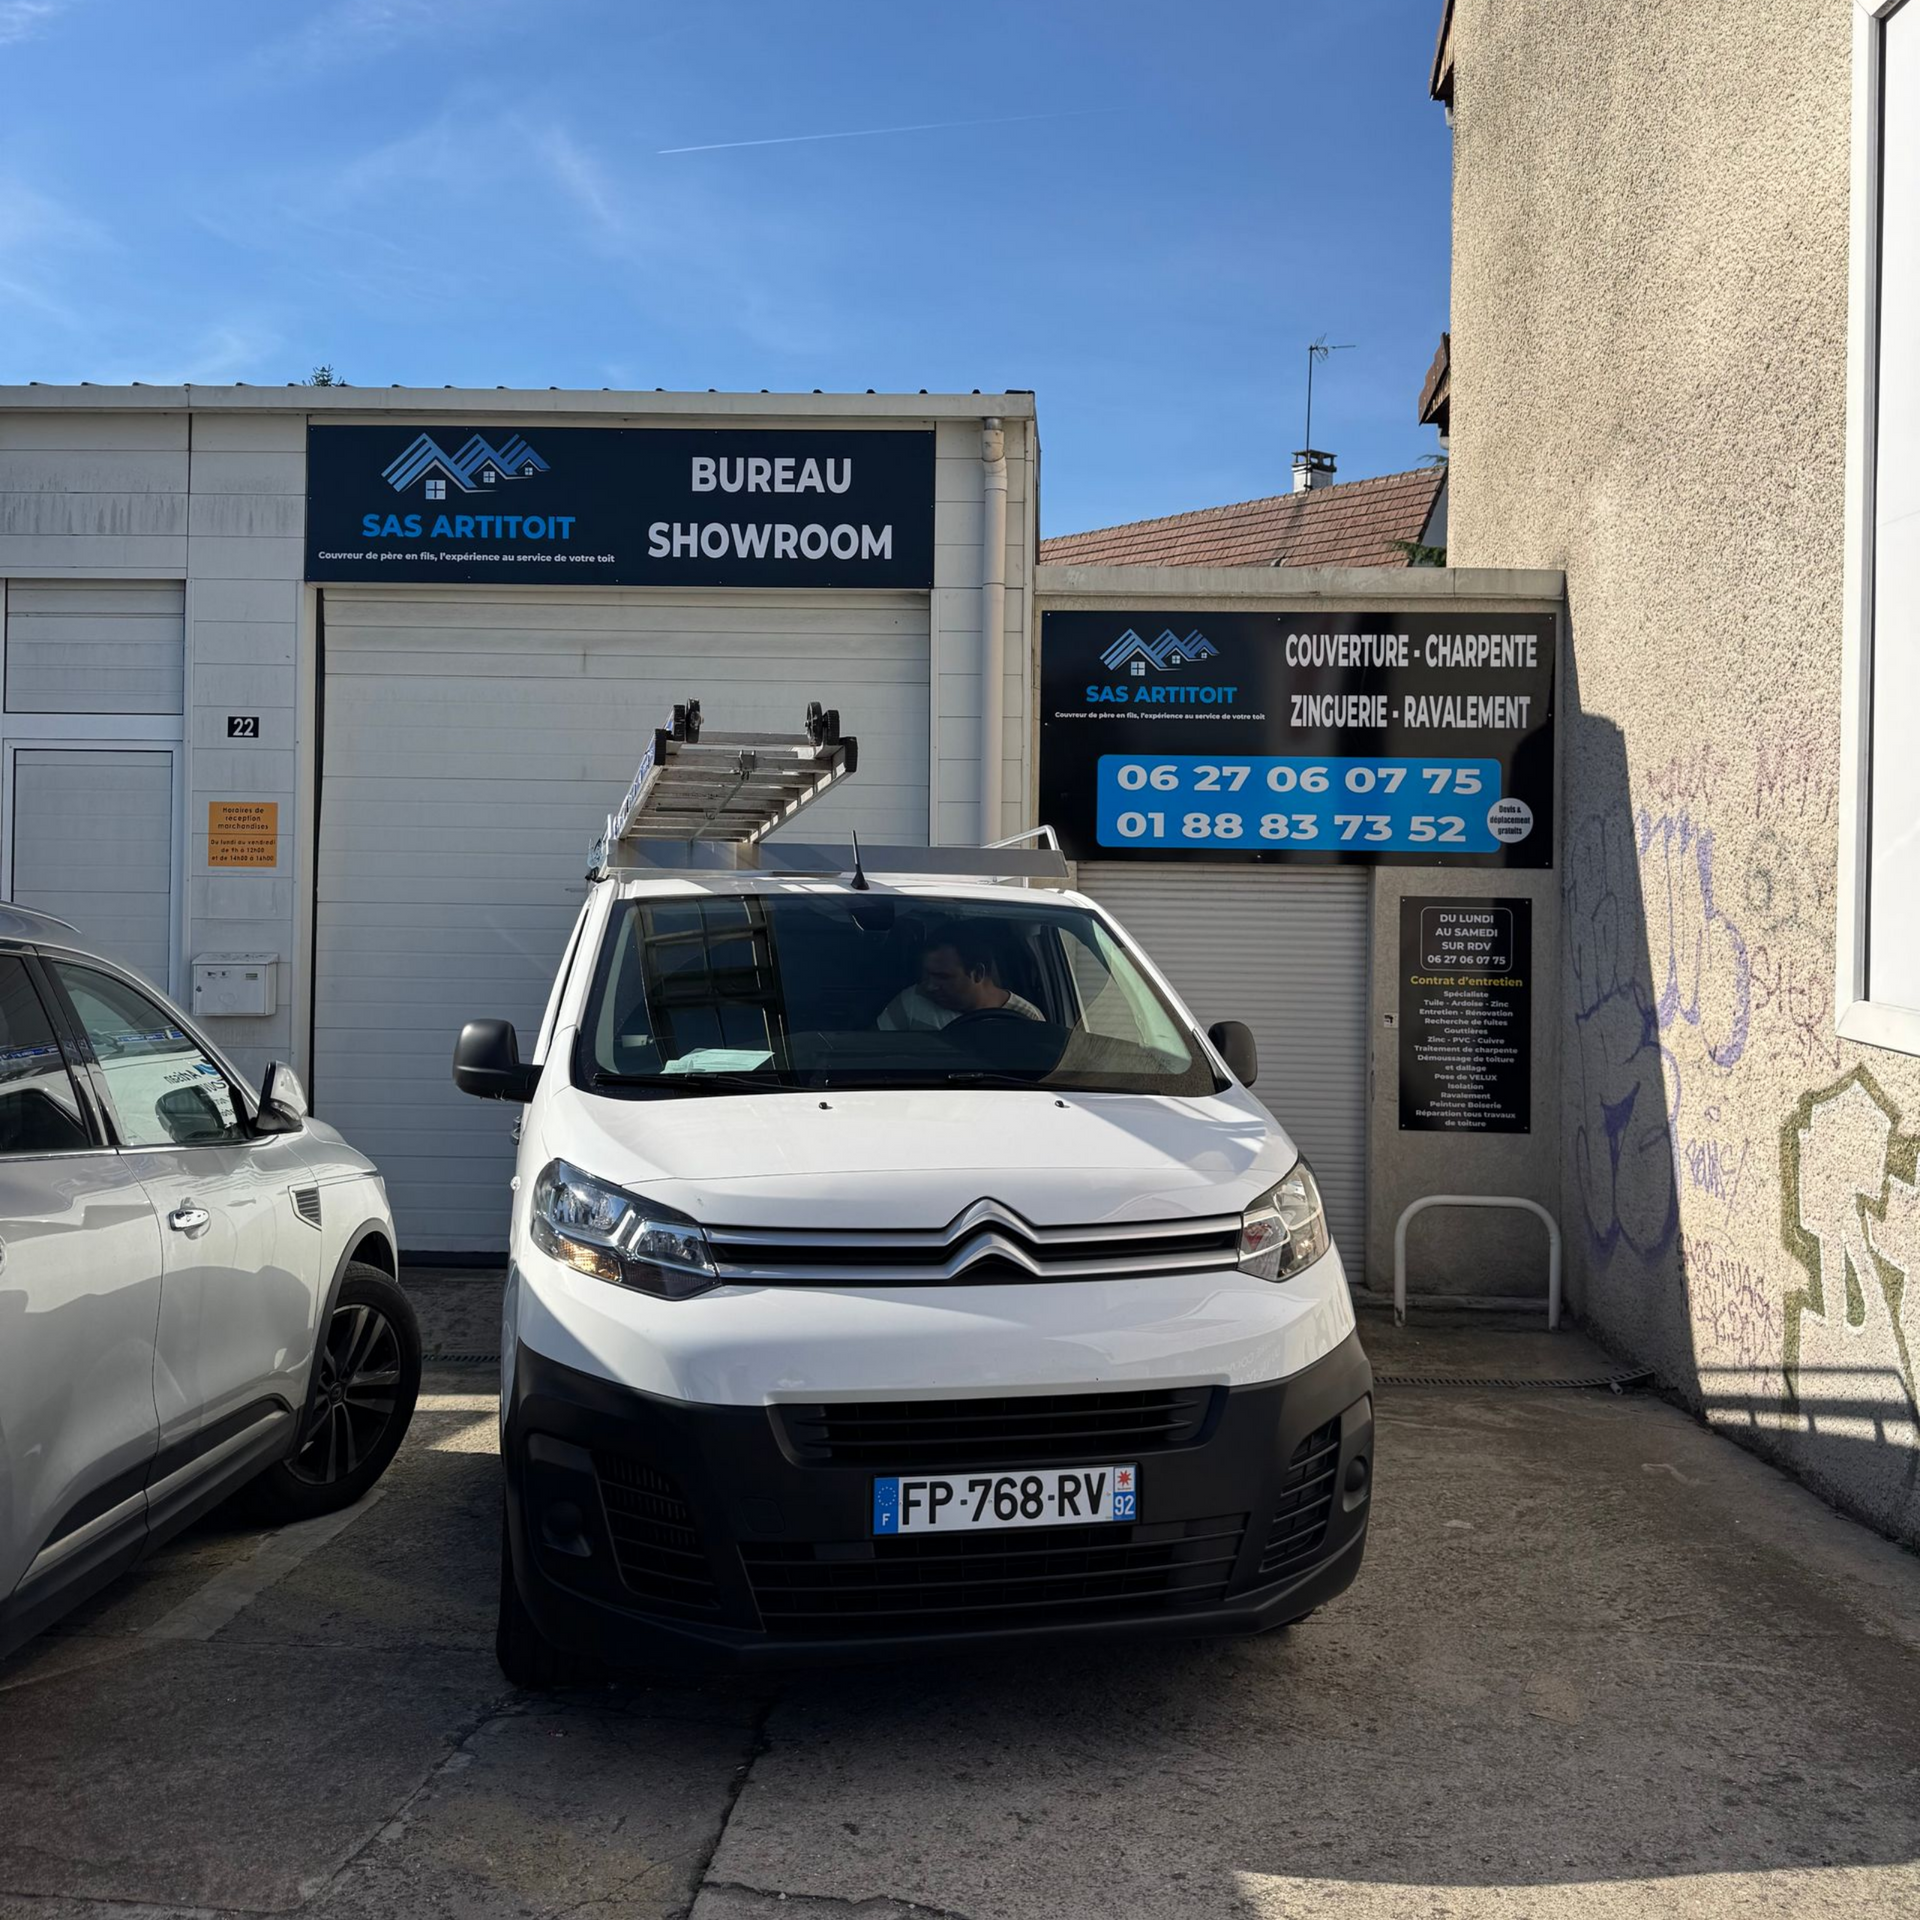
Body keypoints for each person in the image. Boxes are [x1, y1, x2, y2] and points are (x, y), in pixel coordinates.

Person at [877, 921, 1045, 1032]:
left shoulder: (1026, 1018)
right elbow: (875, 1051)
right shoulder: (913, 1001)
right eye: (927, 974)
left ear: (978, 973)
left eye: (942, 977)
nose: (930, 986)